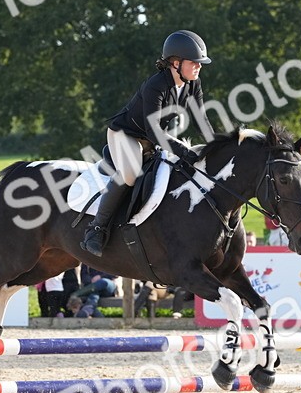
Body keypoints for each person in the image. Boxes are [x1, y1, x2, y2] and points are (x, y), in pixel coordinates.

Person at [80, 30, 209, 256]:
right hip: (126, 135)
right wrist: (184, 151)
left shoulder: (193, 84)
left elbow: (201, 120)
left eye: (200, 63)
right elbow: (153, 130)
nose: (199, 66)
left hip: (153, 140)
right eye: (194, 62)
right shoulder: (156, 85)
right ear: (175, 63)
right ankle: (96, 229)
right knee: (130, 173)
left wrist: (216, 145)